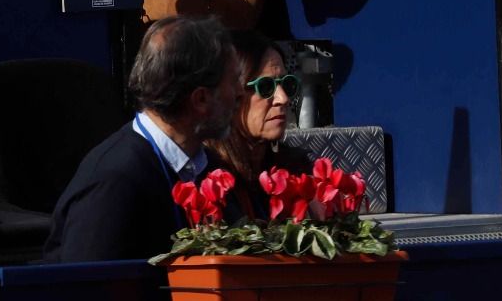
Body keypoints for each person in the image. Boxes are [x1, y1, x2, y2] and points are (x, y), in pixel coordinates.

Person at [44, 16, 239, 263]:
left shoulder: (210, 169)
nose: (240, 94)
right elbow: (87, 288)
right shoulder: (114, 183)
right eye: (233, 83)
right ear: (200, 99)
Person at [202, 30, 313, 221]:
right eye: (266, 87)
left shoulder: (295, 169)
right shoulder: (208, 178)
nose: (283, 99)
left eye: (287, 84)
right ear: (230, 94)